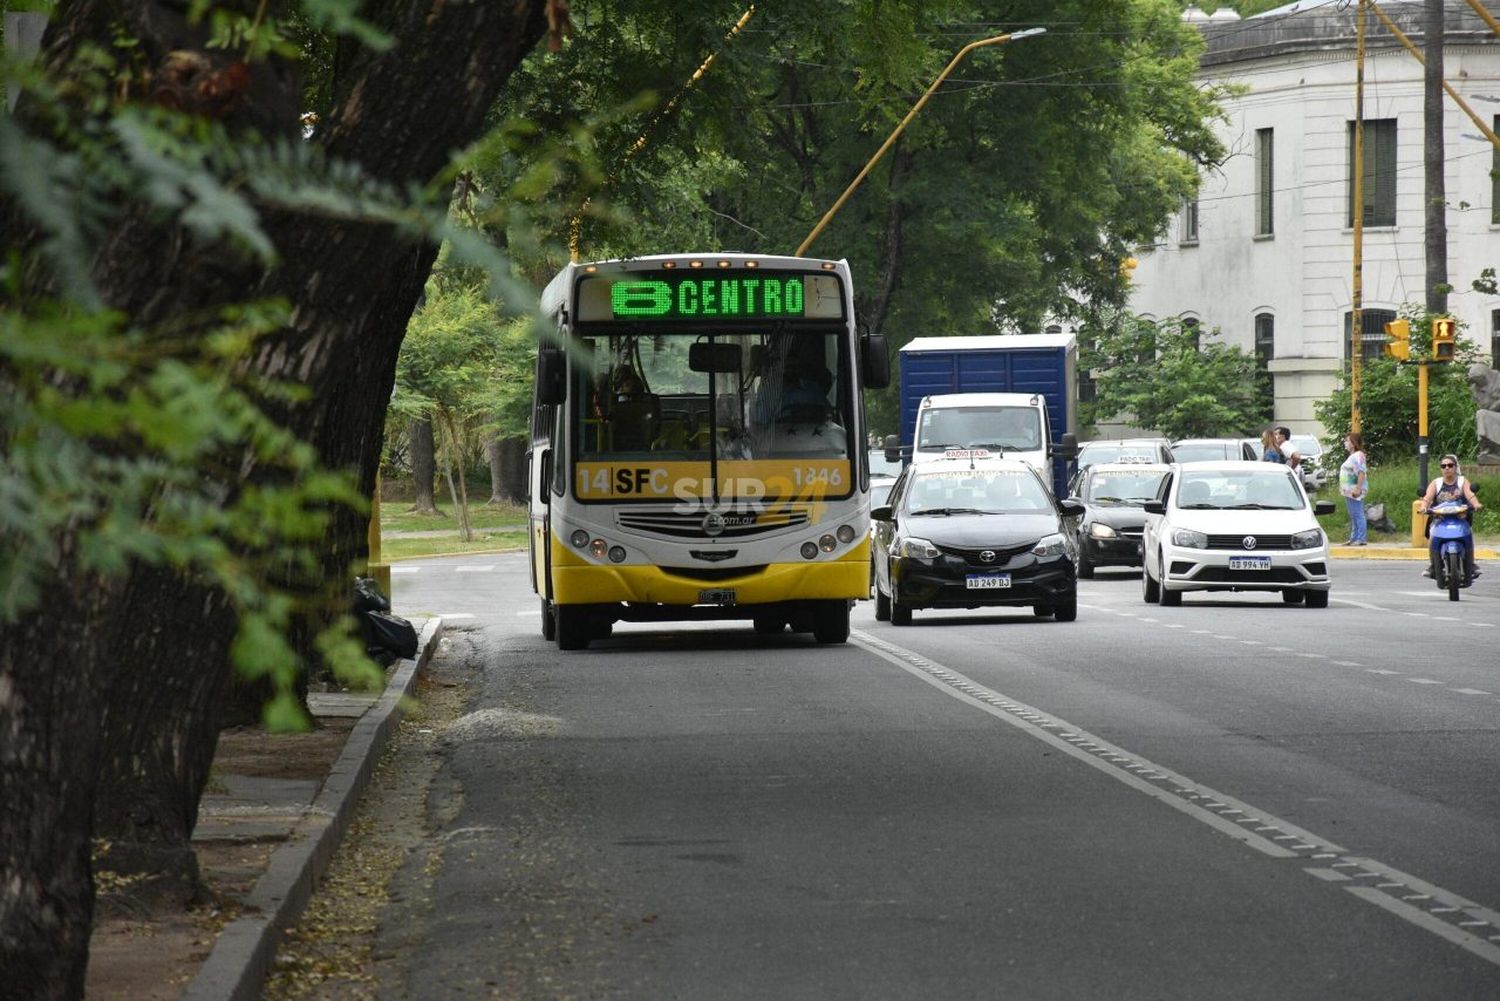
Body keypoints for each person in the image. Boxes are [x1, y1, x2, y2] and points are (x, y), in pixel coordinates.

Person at [1418, 454, 1483, 583]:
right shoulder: (1436, 483)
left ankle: (1471, 564)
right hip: (1440, 519)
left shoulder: (1462, 481)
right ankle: (1433, 566)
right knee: (1432, 538)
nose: (1447, 468)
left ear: (1455, 467)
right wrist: (1424, 507)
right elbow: (1427, 498)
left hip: (1460, 518)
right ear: (1441, 468)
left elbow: (1470, 495)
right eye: (1443, 466)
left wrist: (1476, 504)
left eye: (1450, 465)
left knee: (1468, 535)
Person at [1338, 431, 1368, 545]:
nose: (1345, 443)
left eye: (1347, 441)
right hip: (1349, 491)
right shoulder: (1353, 456)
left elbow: (1361, 472)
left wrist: (1358, 488)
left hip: (1355, 490)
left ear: (1353, 443)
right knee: (1353, 514)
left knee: (1358, 513)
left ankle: (1361, 538)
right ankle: (1354, 537)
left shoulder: (1358, 455)